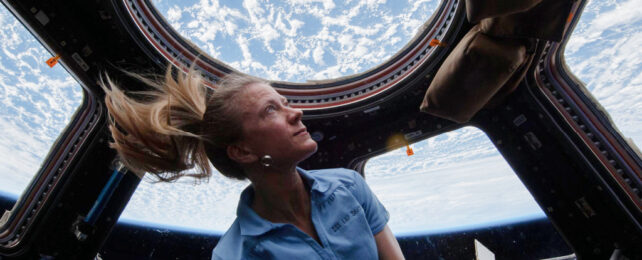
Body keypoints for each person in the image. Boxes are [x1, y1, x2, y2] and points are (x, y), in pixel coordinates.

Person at [101, 65, 405, 259]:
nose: (296, 112)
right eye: (270, 110)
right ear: (242, 152)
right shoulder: (235, 255)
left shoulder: (349, 185)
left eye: (284, 102)